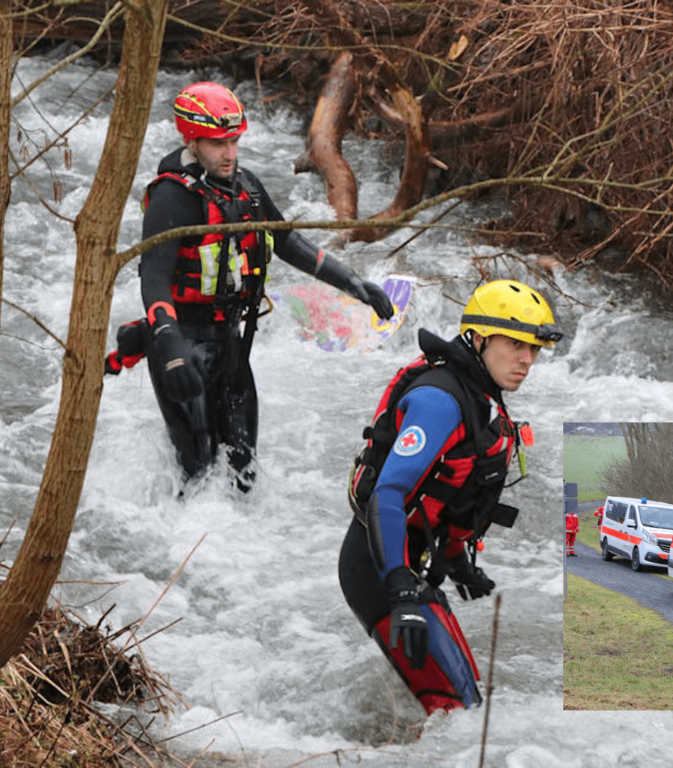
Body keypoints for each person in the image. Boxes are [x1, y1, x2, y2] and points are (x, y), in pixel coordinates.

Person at [138, 82, 392, 489]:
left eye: (234, 141)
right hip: (181, 348)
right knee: (198, 474)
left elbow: (287, 239)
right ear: (191, 139)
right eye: (219, 144)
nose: (230, 153)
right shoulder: (172, 198)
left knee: (244, 473)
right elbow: (152, 277)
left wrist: (352, 282)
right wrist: (168, 343)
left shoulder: (247, 187)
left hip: (231, 346)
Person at [338, 279, 562, 715]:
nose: (527, 359)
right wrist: (401, 591)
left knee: (467, 702)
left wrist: (456, 562)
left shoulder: (481, 396)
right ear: (477, 338)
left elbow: (455, 492)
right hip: (379, 570)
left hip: (411, 567)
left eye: (533, 349)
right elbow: (387, 495)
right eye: (515, 344)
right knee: (454, 711)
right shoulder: (439, 402)